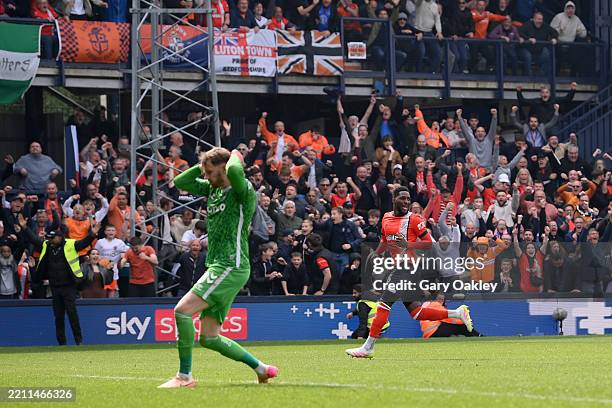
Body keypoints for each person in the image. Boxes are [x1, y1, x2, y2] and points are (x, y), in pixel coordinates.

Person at [159, 147, 277, 388]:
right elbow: (181, 180)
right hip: (221, 266)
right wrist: (204, 163)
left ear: (224, 168)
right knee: (209, 338)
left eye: (212, 172)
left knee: (182, 311)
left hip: (230, 264)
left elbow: (234, 168)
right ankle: (261, 368)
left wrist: (234, 154)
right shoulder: (212, 188)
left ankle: (184, 377)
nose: (207, 177)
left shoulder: (241, 189)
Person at [345, 187, 472, 358]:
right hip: (398, 267)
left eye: (408, 199)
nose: (406, 202)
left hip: (408, 267)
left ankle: (368, 347)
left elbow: (427, 243)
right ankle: (457, 313)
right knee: (417, 313)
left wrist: (408, 245)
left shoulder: (414, 220)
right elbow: (384, 239)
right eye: (403, 198)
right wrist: (377, 252)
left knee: (383, 304)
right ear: (394, 198)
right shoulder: (386, 217)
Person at [19, 215, 100, 345]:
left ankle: (79, 341)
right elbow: (34, 240)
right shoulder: (47, 245)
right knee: (58, 316)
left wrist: (92, 234)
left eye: (52, 238)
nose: (50, 241)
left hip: (69, 286)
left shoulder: (70, 244)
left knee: (72, 314)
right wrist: (25, 228)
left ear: (60, 237)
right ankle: (61, 342)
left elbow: (84, 243)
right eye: (49, 238)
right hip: (55, 287)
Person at [518, 12, 559, 77]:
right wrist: (528, 39)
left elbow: (555, 32)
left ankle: (541, 76)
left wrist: (553, 38)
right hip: (527, 49)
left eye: (541, 19)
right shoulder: (527, 25)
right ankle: (528, 77)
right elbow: (519, 32)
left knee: (546, 53)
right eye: (538, 19)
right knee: (527, 56)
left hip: (539, 50)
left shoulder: (545, 26)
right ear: (533, 19)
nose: (540, 21)